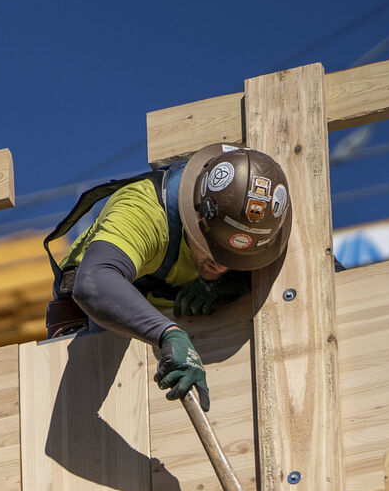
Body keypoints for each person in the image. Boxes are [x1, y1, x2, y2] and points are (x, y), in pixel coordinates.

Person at [43, 144, 293, 410]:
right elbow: (94, 282)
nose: (222, 266)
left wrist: (235, 282)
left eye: (235, 258)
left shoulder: (266, 228)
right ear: (196, 216)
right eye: (212, 251)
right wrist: (168, 333)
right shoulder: (144, 210)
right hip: (91, 327)